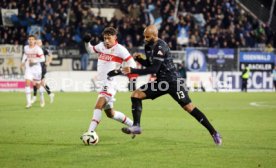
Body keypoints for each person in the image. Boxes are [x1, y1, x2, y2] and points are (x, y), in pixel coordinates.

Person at [118, 25, 222, 145]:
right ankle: (136, 126)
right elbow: (151, 63)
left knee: (189, 107)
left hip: (173, 82)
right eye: (144, 36)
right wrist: (140, 60)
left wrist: (133, 70)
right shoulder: (148, 45)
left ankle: (214, 132)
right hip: (161, 82)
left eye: (147, 36)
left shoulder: (161, 46)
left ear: (155, 35)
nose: (145, 39)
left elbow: (154, 68)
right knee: (136, 95)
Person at [80, 27, 137, 141]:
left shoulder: (121, 49)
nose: (106, 41)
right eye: (105, 38)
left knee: (98, 105)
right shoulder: (101, 46)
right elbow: (91, 50)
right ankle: (134, 126)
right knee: (110, 113)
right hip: (101, 83)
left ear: (115, 37)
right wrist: (87, 43)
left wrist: (120, 72)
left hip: (110, 83)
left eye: (109, 38)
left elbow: (133, 65)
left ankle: (90, 132)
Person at [20, 35, 45, 108]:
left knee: (38, 85)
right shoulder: (26, 47)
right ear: (28, 40)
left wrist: (34, 61)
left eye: (32, 39)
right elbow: (25, 54)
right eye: (29, 39)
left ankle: (41, 96)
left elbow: (43, 59)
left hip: (37, 69)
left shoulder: (38, 49)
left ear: (35, 41)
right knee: (27, 83)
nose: (31, 41)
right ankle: (28, 103)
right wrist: (22, 62)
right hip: (29, 68)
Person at [31, 39, 55, 104]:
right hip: (36, 68)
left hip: (42, 68)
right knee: (42, 83)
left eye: (39, 42)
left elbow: (51, 55)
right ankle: (50, 94)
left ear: (41, 43)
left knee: (36, 81)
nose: (38, 44)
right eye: (37, 43)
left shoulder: (44, 49)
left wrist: (48, 62)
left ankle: (34, 96)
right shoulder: (34, 50)